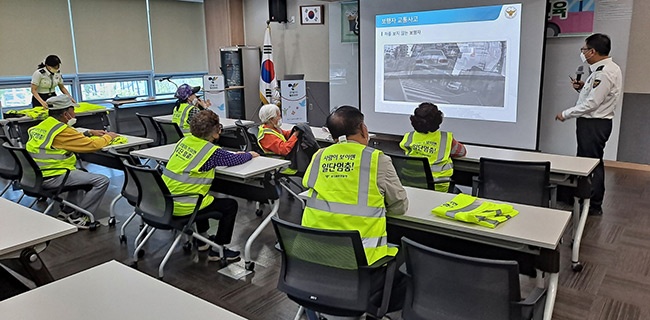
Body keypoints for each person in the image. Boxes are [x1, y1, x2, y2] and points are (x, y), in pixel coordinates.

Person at [301, 105, 408, 311]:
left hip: (312, 260)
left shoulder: (319, 156)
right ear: (363, 129)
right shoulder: (377, 159)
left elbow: (309, 185)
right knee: (405, 255)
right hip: (360, 267)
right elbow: (399, 208)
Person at [162, 109, 259, 261]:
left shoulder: (183, 141)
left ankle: (202, 240)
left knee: (203, 196)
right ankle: (218, 249)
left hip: (165, 201)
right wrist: (248, 155)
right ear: (214, 131)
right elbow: (232, 160)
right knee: (229, 205)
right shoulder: (211, 151)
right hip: (185, 205)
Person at [25, 95, 119, 228]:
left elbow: (68, 138)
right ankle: (79, 216)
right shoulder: (62, 131)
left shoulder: (45, 125)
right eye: (72, 110)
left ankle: (66, 211)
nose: (75, 113)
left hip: (37, 176)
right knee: (102, 180)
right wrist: (108, 136)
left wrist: (88, 132)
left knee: (80, 172)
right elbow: (91, 146)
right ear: (66, 114)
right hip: (53, 176)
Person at [555, 33, 622, 216]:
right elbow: (595, 95)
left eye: (584, 49)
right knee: (587, 162)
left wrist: (565, 114)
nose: (582, 53)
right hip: (592, 123)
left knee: (591, 164)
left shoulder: (605, 72)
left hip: (594, 124)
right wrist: (583, 86)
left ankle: (593, 205)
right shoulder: (602, 69)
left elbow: (592, 104)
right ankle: (583, 198)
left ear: (592, 51)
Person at [400, 102, 466, 192]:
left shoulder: (409, 137)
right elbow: (462, 152)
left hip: (412, 185)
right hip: (439, 187)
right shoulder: (445, 138)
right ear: (438, 120)